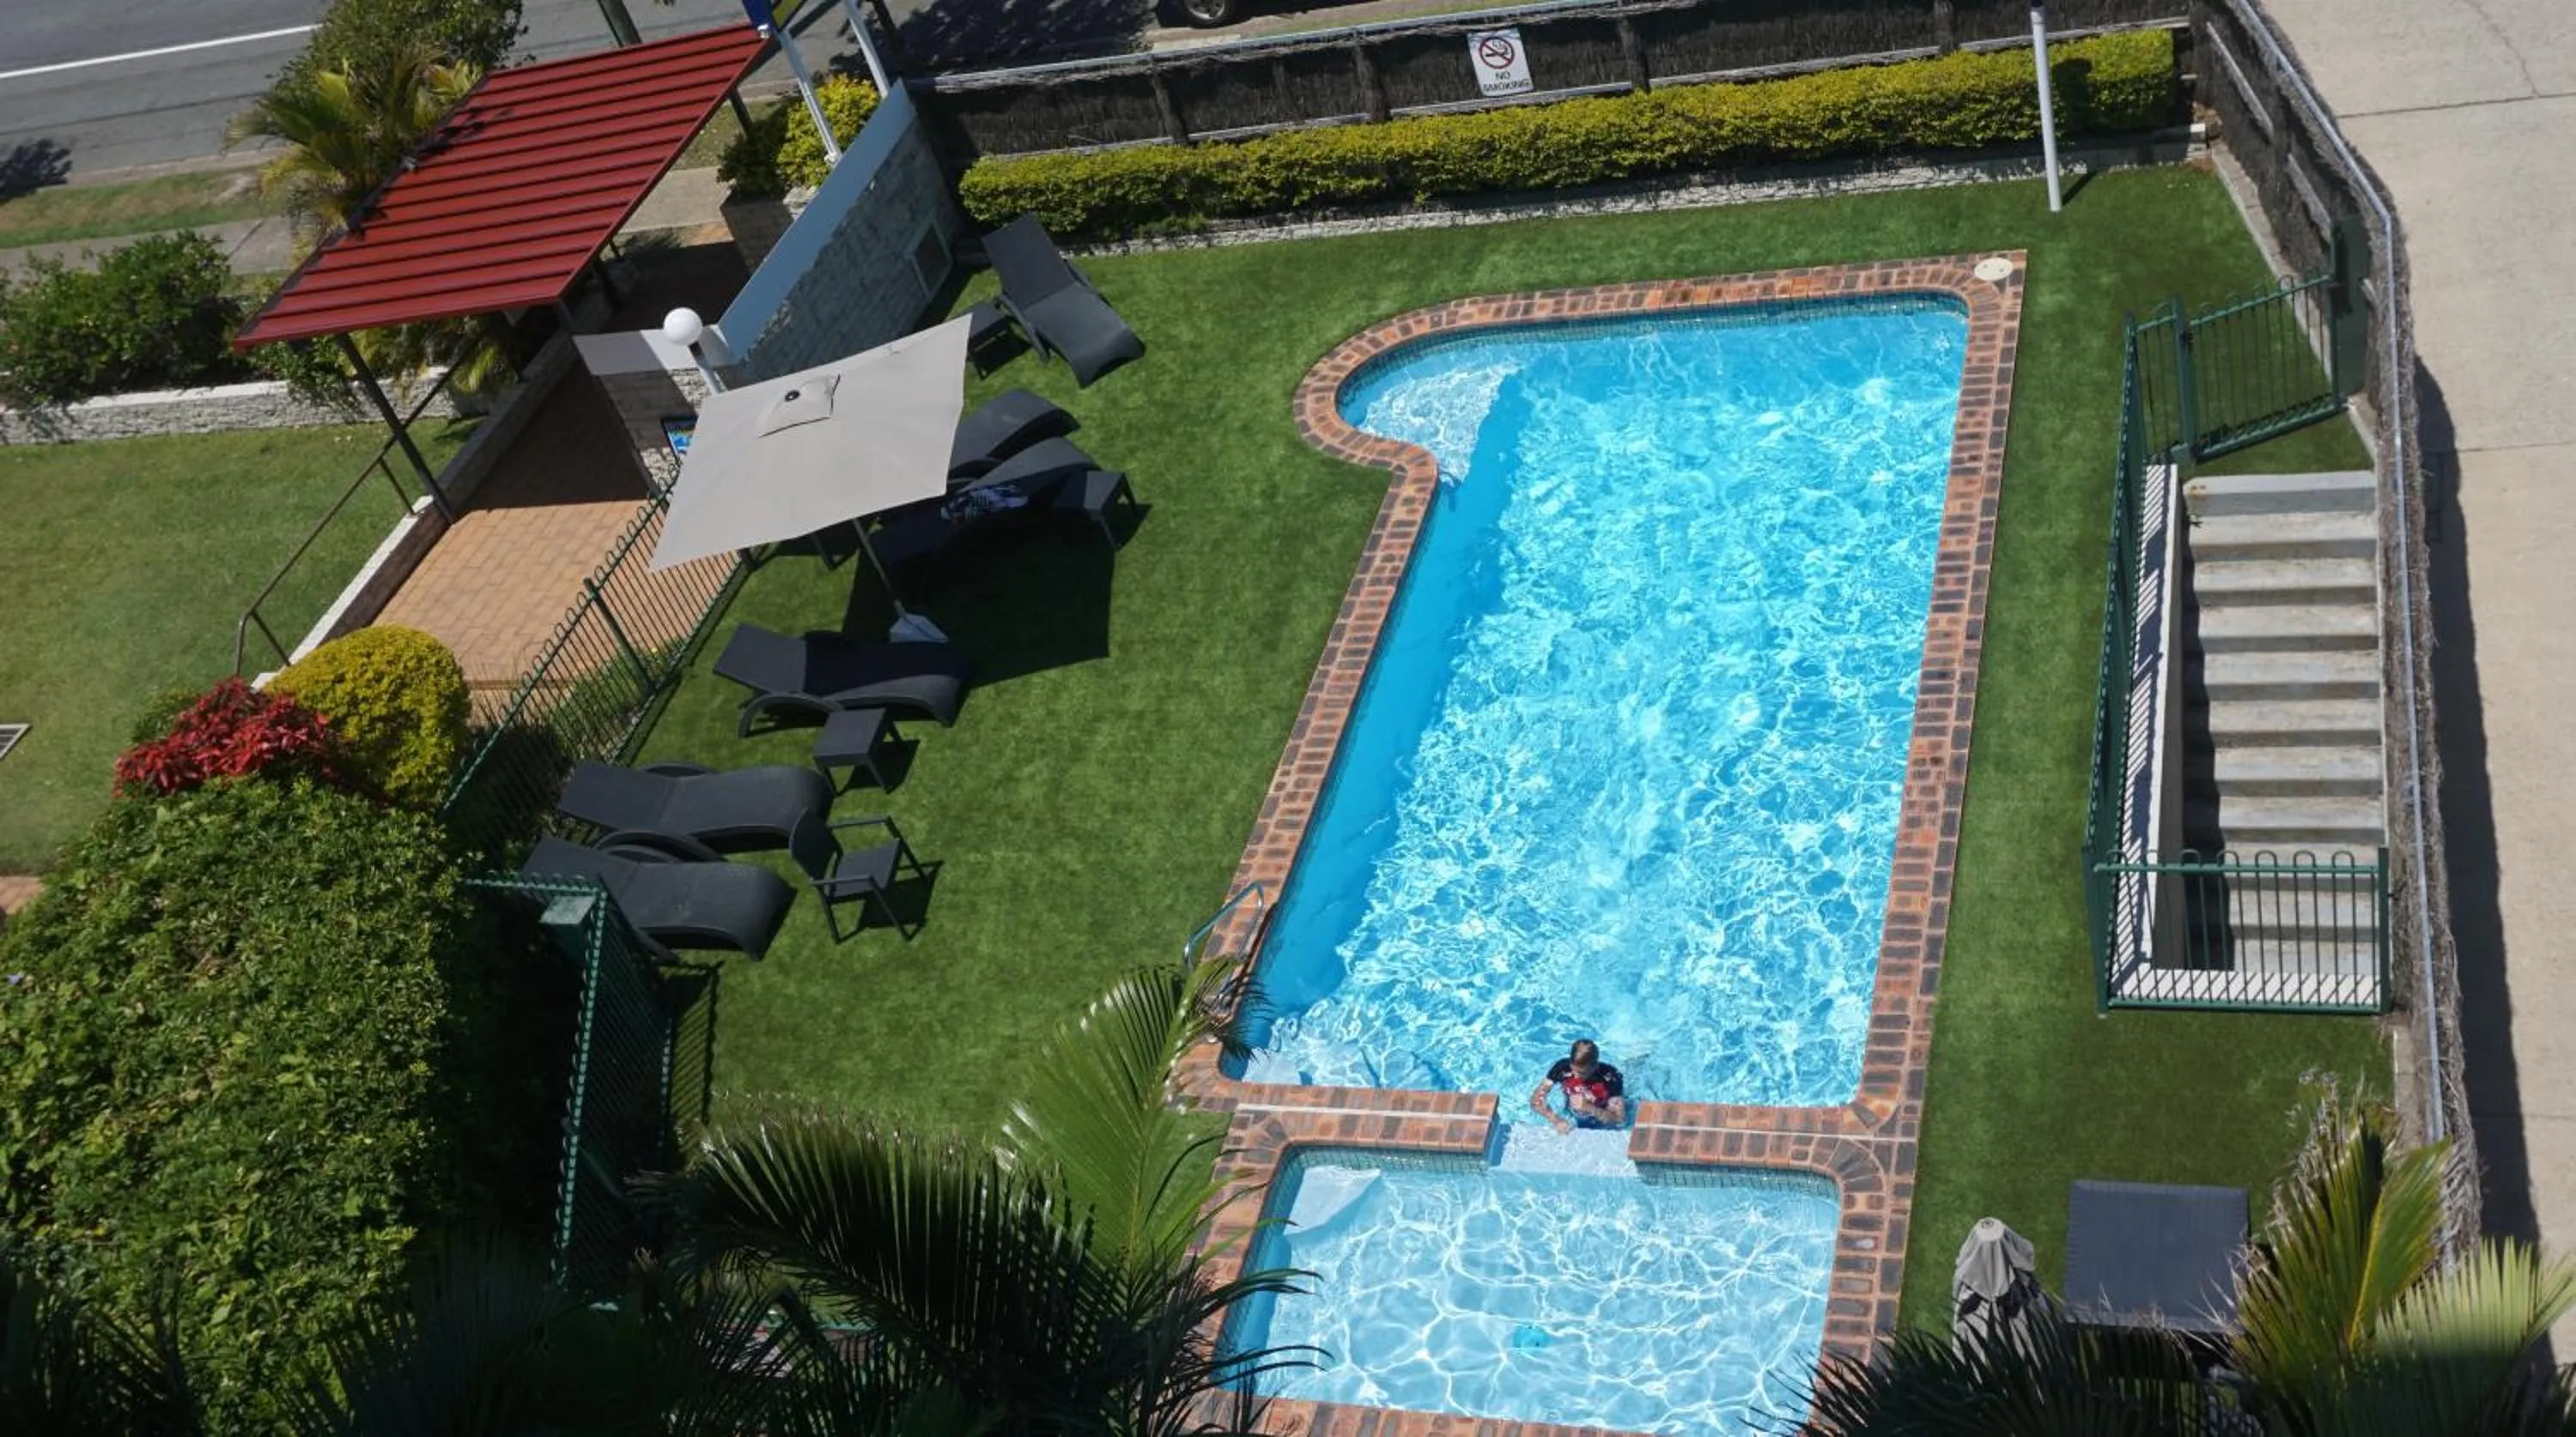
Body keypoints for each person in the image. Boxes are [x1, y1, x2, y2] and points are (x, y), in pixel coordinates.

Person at [1529, 1038, 1625, 1133]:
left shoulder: (1611, 1077)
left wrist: (1590, 1108)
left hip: (1600, 1121)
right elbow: (1536, 1100)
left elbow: (1619, 1121)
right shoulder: (1563, 1068)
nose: (1575, 1075)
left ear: (1595, 1066)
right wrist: (1556, 1120)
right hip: (1571, 1116)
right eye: (1573, 1069)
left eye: (1582, 1073)